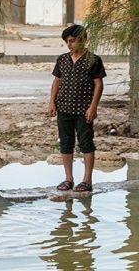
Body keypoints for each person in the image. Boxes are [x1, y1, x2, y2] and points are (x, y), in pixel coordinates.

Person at [48, 25, 105, 193]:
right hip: (63, 107)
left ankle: (87, 180)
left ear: (82, 39)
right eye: (67, 42)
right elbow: (57, 81)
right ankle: (68, 179)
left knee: (86, 143)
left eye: (72, 41)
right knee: (65, 143)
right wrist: (52, 102)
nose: (69, 45)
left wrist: (93, 106)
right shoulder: (62, 59)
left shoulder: (93, 59)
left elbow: (98, 84)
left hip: (83, 109)